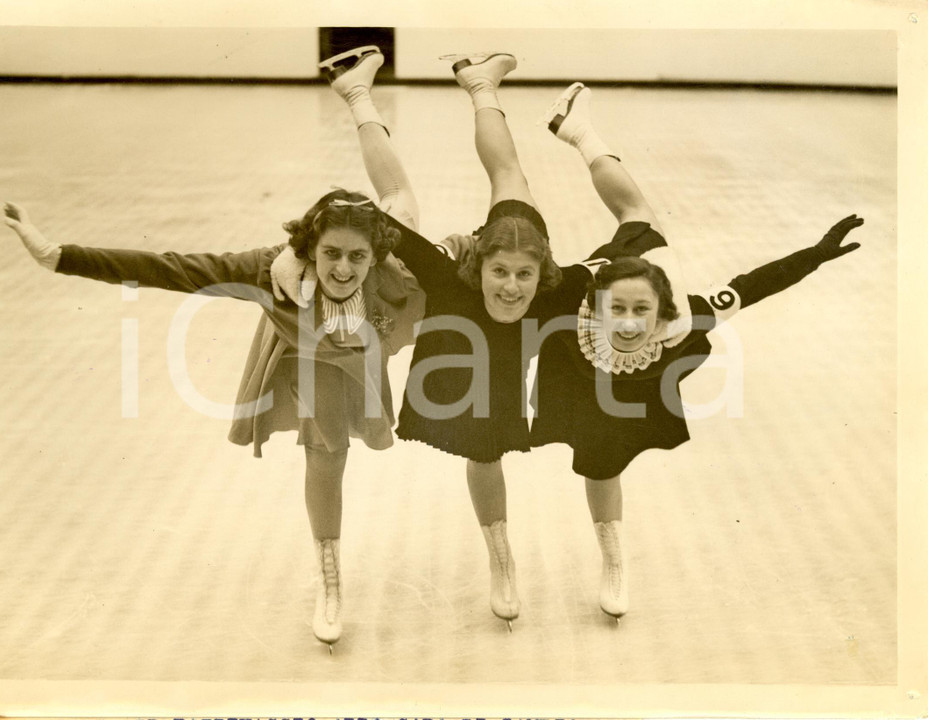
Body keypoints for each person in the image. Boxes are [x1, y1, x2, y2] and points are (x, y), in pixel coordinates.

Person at [2, 191, 424, 652]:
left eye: (356, 256)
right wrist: (58, 256)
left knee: (402, 202)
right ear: (309, 249)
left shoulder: (394, 270)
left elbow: (464, 266)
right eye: (330, 253)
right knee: (326, 455)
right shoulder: (271, 272)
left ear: (375, 254)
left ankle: (370, 134)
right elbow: (171, 269)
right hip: (308, 356)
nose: (342, 269)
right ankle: (329, 570)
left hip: (361, 350)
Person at [527, 82, 865, 621]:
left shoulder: (685, 316)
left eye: (644, 314)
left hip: (650, 264)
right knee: (631, 207)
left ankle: (613, 560)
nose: (632, 325)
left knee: (638, 214)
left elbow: (754, 285)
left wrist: (817, 255)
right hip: (607, 284)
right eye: (620, 313)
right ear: (597, 305)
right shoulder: (572, 298)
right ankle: (581, 133)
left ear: (662, 312)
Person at [282, 47, 565, 630]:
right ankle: (362, 93)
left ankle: (472, 84)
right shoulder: (436, 272)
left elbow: (613, 273)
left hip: (444, 312)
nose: (512, 288)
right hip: (406, 305)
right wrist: (297, 245)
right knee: (403, 200)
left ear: (540, 274)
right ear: (481, 261)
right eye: (500, 271)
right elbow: (354, 214)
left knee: (505, 176)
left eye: (524, 277)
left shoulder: (552, 285)